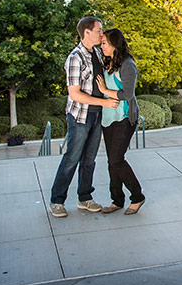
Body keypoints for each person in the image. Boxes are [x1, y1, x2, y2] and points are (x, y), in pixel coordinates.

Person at [49, 16, 119, 218]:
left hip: (97, 116)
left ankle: (84, 198)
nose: (101, 33)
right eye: (98, 30)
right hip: (80, 116)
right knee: (72, 158)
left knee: (89, 160)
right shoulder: (75, 58)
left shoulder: (97, 53)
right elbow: (74, 94)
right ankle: (57, 201)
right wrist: (104, 102)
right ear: (86, 32)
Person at [95, 28, 147, 214]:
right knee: (112, 161)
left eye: (104, 43)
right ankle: (117, 199)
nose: (101, 47)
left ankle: (137, 196)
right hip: (108, 118)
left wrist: (105, 91)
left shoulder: (128, 65)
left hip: (124, 118)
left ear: (115, 45)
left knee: (117, 160)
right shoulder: (107, 62)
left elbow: (127, 94)